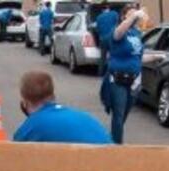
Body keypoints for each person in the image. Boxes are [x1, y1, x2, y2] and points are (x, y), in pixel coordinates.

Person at [104, 6, 161, 144]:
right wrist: (134, 16)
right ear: (124, 17)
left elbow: (137, 58)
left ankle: (112, 139)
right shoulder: (118, 32)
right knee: (118, 114)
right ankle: (117, 146)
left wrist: (156, 57)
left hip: (133, 81)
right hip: (117, 79)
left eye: (136, 14)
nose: (136, 16)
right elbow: (119, 32)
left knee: (124, 115)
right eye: (131, 14)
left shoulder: (136, 34)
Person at [14, 71, 112, 145]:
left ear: (25, 102)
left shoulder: (30, 127)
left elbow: (16, 156)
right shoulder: (84, 117)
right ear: (52, 95)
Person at [94, 3, 118, 76]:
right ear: (108, 8)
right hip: (112, 38)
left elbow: (97, 30)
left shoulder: (98, 17)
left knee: (102, 57)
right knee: (113, 56)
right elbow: (118, 24)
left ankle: (100, 73)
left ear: (102, 10)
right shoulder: (114, 14)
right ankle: (111, 73)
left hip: (102, 39)